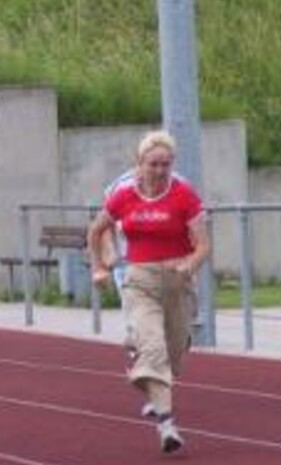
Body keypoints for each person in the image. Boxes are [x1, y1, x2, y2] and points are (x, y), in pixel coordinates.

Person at [87, 130, 209, 454]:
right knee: (153, 349)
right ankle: (167, 426)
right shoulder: (123, 194)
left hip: (177, 281)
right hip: (139, 280)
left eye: (165, 164)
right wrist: (98, 266)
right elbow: (96, 229)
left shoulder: (184, 196)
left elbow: (203, 246)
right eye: (153, 164)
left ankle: (145, 369)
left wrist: (190, 265)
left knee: (172, 356)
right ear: (139, 163)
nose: (159, 170)